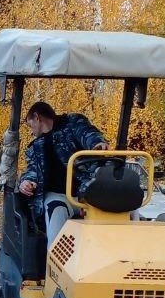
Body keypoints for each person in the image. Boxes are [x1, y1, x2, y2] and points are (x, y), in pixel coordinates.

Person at [18, 101, 109, 245]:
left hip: (88, 192)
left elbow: (87, 134)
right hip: (59, 196)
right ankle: (53, 262)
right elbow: (33, 170)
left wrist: (96, 143)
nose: (32, 131)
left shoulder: (72, 123)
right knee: (56, 211)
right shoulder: (35, 147)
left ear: (37, 117)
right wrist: (26, 182)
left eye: (31, 125)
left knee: (125, 209)